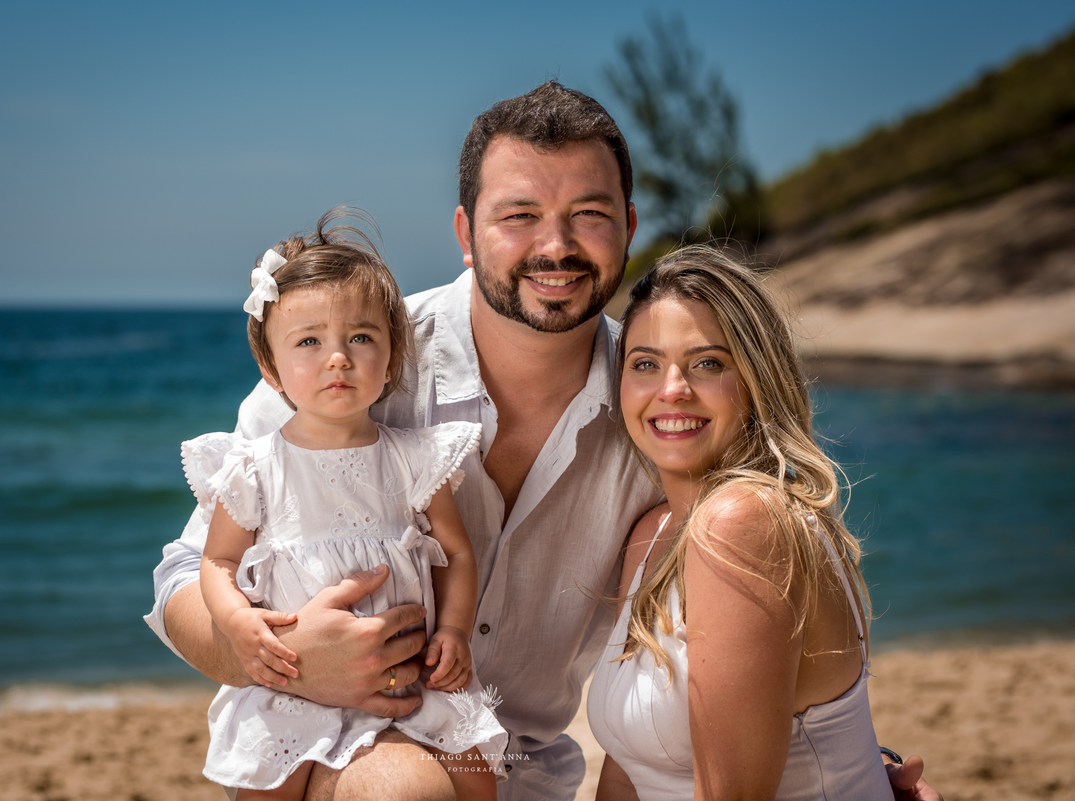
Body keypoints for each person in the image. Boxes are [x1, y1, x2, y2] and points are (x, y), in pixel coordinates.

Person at [146, 82, 937, 801]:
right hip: (349, 744)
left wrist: (856, 765)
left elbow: (773, 596)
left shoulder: (657, 405)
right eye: (519, 215)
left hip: (526, 776)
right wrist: (286, 659)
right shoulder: (352, 359)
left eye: (588, 214)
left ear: (628, 227)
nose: (554, 246)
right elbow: (187, 571)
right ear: (466, 232)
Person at [182, 211, 506, 800]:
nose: (338, 357)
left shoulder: (415, 457)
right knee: (269, 787)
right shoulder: (254, 467)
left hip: (414, 677)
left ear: (392, 356)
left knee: (478, 780)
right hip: (296, 680)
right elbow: (217, 561)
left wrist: (454, 631)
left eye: (360, 337)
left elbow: (457, 553)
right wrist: (236, 622)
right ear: (270, 368)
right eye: (309, 341)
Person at [588, 247, 909, 800]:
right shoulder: (653, 534)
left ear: (758, 380)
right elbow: (625, 774)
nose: (672, 388)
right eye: (644, 364)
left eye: (708, 363)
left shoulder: (744, 523)